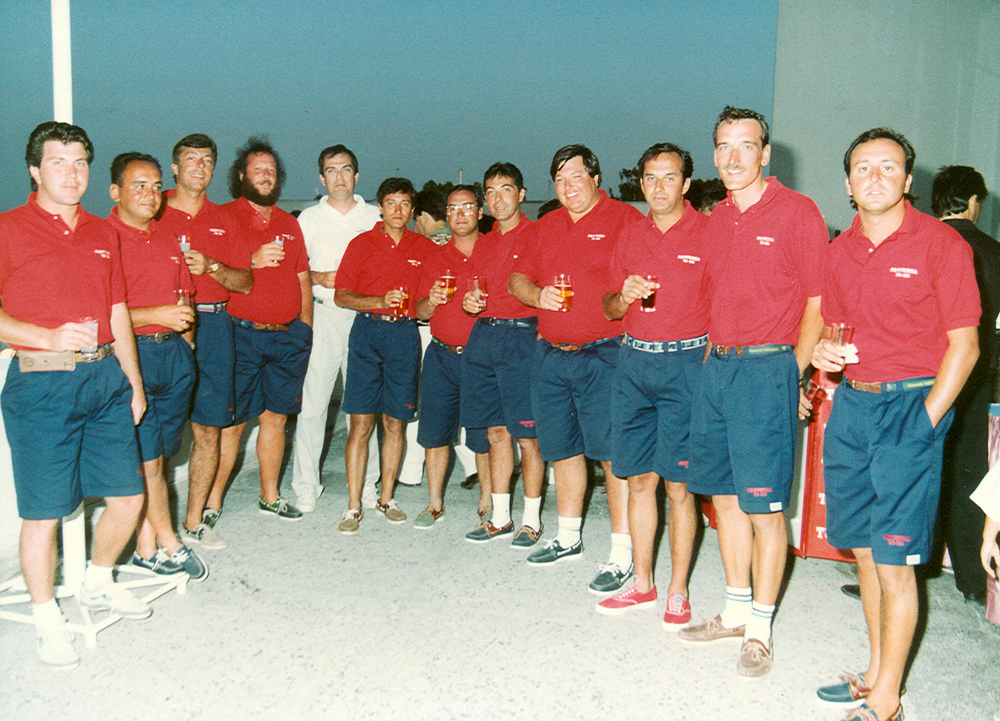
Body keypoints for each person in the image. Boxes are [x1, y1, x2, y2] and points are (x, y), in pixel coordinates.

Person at [813, 128, 978, 721]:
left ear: (909, 180)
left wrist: (926, 422)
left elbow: (965, 347)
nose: (875, 177)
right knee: (862, 551)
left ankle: (886, 701)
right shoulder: (838, 249)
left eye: (888, 167)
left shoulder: (941, 244)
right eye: (863, 167)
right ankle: (877, 672)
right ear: (848, 183)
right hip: (853, 407)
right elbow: (833, 329)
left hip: (911, 406)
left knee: (895, 561)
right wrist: (825, 355)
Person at [680, 107, 827, 679]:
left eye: (746, 145)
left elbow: (818, 303)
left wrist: (793, 373)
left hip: (768, 371)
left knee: (764, 508)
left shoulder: (798, 211)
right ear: (714, 155)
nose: (733, 156)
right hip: (717, 370)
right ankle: (735, 611)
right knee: (724, 500)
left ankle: (760, 631)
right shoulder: (716, 218)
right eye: (723, 146)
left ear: (766, 153)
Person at [0, 122, 151, 668]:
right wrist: (43, 336)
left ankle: (98, 580)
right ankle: (47, 620)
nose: (71, 173)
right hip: (42, 381)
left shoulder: (102, 231)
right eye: (58, 162)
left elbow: (117, 310)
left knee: (129, 497)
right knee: (45, 512)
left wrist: (133, 381)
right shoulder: (8, 228)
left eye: (80, 162)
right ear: (35, 170)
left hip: (105, 379)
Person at [510, 144, 642, 594]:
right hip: (551, 354)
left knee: (611, 455)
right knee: (562, 449)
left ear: (596, 178)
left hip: (605, 354)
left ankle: (622, 554)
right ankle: (568, 538)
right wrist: (537, 296)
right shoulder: (545, 225)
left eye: (576, 176)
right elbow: (517, 278)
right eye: (560, 180)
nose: (568, 187)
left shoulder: (625, 219)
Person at [596, 143, 708, 628]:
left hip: (686, 364)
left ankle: (678, 591)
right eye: (650, 178)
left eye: (669, 177)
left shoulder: (708, 233)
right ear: (640, 183)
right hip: (634, 364)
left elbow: (723, 309)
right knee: (639, 479)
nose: (658, 187)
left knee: (679, 486)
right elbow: (609, 308)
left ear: (686, 183)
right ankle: (643, 584)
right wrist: (622, 297)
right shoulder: (630, 234)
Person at [108, 152, 206, 581]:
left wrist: (186, 346)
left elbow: (185, 297)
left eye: (154, 186)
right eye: (138, 185)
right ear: (115, 192)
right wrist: (157, 316)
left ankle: (145, 549)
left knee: (161, 457)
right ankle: (171, 542)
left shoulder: (167, 238)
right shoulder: (103, 239)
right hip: (132, 358)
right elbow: (100, 315)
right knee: (147, 460)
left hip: (174, 359)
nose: (149, 194)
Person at [159, 133, 253, 550]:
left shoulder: (225, 219)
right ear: (174, 168)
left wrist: (212, 266)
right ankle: (153, 528)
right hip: (162, 327)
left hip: (214, 323)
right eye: (191, 159)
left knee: (210, 429)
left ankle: (194, 521)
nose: (200, 166)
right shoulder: (154, 209)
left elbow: (245, 282)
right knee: (156, 435)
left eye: (207, 160)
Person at [216, 137, 313, 521]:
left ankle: (270, 496)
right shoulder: (225, 217)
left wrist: (305, 328)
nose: (265, 175)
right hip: (241, 335)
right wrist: (250, 259)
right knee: (232, 423)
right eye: (257, 169)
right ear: (241, 175)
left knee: (276, 419)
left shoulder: (289, 223)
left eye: (271, 170)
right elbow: (213, 271)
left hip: (287, 336)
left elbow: (302, 277)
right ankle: (211, 503)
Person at [334, 177, 437, 533]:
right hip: (367, 333)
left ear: (412, 209)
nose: (397, 210)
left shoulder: (423, 247)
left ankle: (386, 497)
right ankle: (353, 505)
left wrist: (434, 302)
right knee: (361, 423)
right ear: (380, 206)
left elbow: (422, 307)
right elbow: (341, 296)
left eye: (404, 203)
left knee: (396, 423)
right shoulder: (361, 243)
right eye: (391, 202)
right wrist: (378, 301)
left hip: (404, 335)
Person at [290, 145, 381, 513]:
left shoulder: (375, 215)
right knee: (312, 407)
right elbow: (295, 271)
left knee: (363, 408)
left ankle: (368, 485)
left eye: (345, 169)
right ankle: (306, 486)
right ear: (321, 178)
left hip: (364, 319)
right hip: (323, 315)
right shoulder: (307, 219)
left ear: (356, 176)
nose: (339, 176)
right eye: (331, 170)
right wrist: (320, 277)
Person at [460, 162, 546, 546]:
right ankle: (499, 517)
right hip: (484, 336)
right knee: (495, 432)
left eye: (506, 189)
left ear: (521, 194)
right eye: (491, 192)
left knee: (527, 436)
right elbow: (472, 295)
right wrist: (469, 303)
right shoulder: (484, 242)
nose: (498, 199)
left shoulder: (539, 235)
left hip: (522, 337)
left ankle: (531, 520)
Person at [933, 165, 1000, 604]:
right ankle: (974, 581)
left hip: (922, 374)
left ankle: (909, 568)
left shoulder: (922, 243)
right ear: (974, 202)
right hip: (976, 378)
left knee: (918, 470)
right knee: (969, 471)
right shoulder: (995, 252)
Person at [412, 185, 491, 528]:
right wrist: (431, 300)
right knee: (434, 433)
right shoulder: (434, 256)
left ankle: (488, 502)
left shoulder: (493, 249)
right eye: (453, 209)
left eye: (467, 207)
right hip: (442, 355)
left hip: (481, 356)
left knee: (484, 436)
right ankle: (434, 504)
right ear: (446, 215)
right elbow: (420, 311)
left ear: (480, 212)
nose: (460, 214)